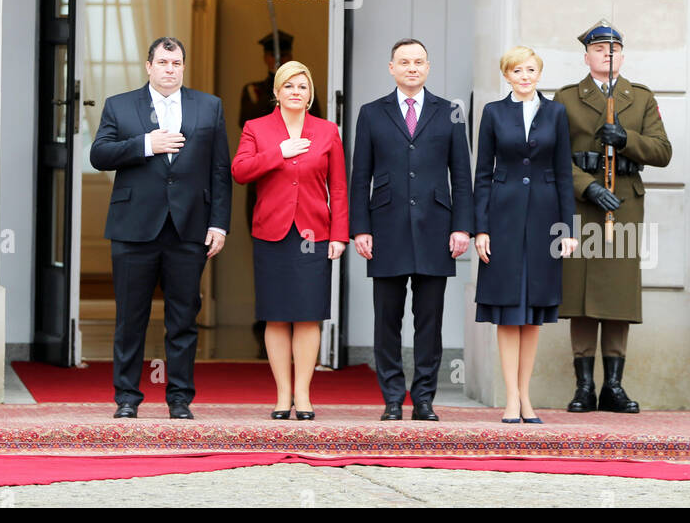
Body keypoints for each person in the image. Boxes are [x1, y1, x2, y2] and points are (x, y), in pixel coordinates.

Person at [90, 36, 230, 419]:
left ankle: (180, 399)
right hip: (134, 227)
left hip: (189, 227)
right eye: (163, 63)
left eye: (177, 63)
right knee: (130, 317)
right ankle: (127, 398)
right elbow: (99, 154)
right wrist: (146, 144)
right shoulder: (119, 105)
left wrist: (219, 223)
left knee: (183, 318)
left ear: (183, 67)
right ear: (148, 66)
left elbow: (220, 170)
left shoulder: (209, 106)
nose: (170, 69)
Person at [350, 39, 472, 421]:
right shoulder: (372, 113)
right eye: (404, 62)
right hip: (385, 228)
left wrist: (462, 227)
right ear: (391, 68)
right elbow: (360, 177)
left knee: (429, 321)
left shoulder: (450, 112)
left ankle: (423, 399)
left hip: (437, 228)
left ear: (428, 67)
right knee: (387, 320)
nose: (412, 68)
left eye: (419, 61)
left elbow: (462, 176)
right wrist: (360, 228)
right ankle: (390, 397)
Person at [557, 20, 672, 413]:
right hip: (584, 202)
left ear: (623, 55)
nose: (608, 54)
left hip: (623, 202)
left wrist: (626, 140)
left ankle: (615, 386)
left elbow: (661, 151)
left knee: (618, 295)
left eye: (615, 49)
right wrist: (586, 186)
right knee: (581, 293)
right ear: (586, 55)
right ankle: (585, 386)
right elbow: (553, 158)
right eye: (600, 48)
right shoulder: (567, 98)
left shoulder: (639, 98)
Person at [232, 61, 347, 419]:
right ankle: (283, 396)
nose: (296, 92)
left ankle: (304, 395)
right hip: (272, 232)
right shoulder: (257, 128)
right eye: (290, 86)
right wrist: (278, 153)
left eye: (303, 87)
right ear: (277, 93)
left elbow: (339, 188)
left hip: (315, 232)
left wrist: (340, 235)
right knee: (277, 316)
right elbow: (239, 171)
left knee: (309, 316)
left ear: (310, 94)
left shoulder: (327, 131)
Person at [473, 47, 577, 424]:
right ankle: (511, 399)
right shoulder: (493, 113)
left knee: (534, 310)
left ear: (539, 73)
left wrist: (568, 228)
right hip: (502, 215)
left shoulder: (556, 112)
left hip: (546, 216)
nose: (525, 76)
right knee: (507, 309)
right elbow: (482, 172)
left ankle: (526, 396)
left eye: (531, 69)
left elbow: (564, 172)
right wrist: (480, 228)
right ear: (507, 75)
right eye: (517, 70)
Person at [238, 30, 321, 355]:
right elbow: (249, 134)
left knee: (305, 284)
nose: (295, 91)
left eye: (283, 56)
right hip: (266, 191)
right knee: (268, 263)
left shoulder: (311, 99)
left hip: (307, 203)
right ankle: (268, 321)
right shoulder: (254, 91)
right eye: (273, 57)